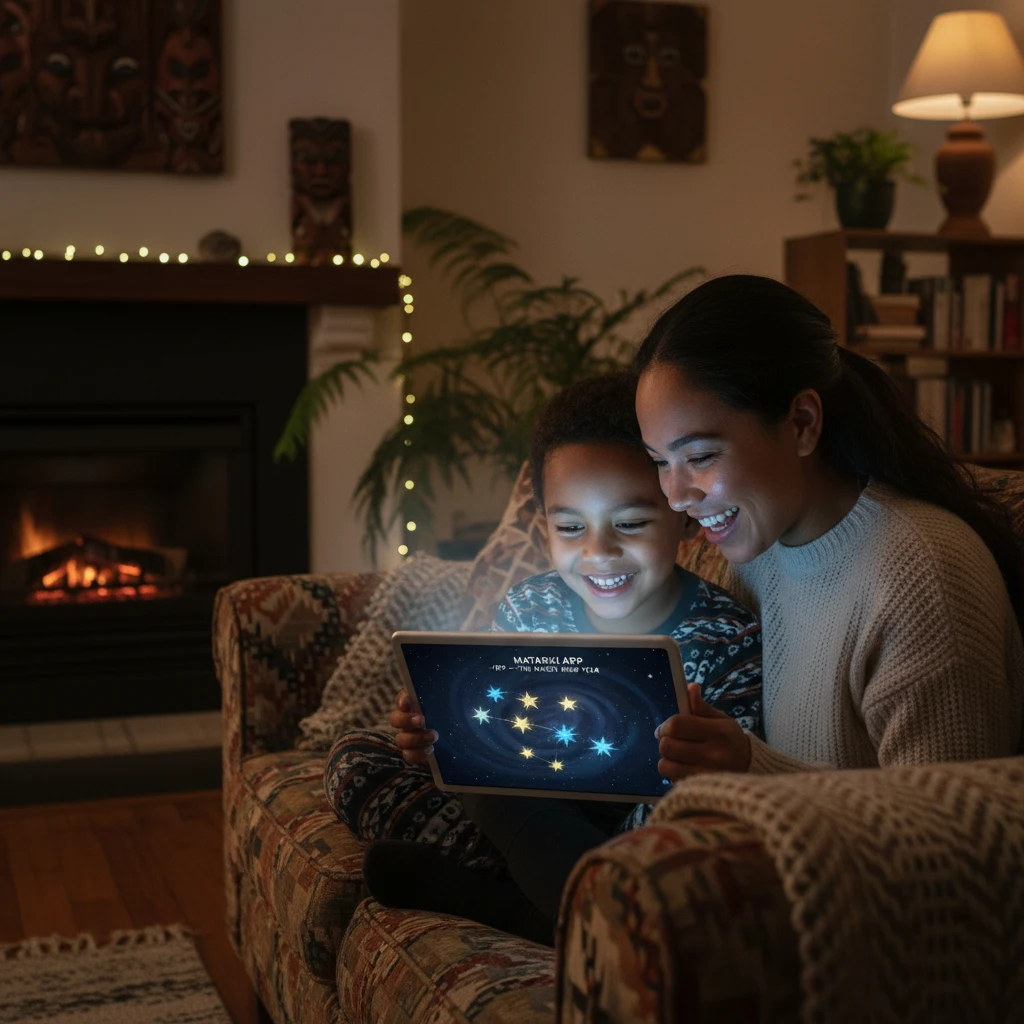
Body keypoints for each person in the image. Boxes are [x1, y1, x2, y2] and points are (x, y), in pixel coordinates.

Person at [324, 371, 762, 943]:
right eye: (570, 527)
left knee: (688, 819)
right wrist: (430, 737)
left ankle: (525, 904)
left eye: (630, 524)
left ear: (681, 516)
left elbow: (731, 777)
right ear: (544, 522)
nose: (598, 553)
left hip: (637, 823)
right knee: (358, 760)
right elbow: (489, 727)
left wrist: (707, 755)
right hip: (531, 799)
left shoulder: (725, 638)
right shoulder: (529, 607)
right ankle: (568, 901)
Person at [633, 273, 1024, 778]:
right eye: (660, 462)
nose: (676, 496)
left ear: (801, 422)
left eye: (701, 455)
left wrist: (750, 769)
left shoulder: (925, 578)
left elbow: (940, 843)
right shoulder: (759, 552)